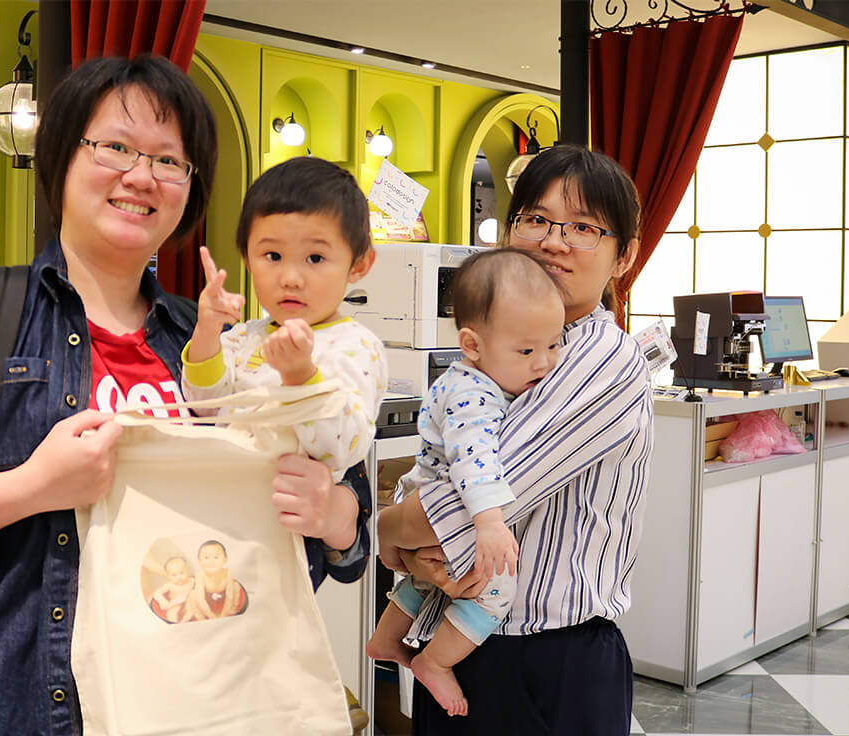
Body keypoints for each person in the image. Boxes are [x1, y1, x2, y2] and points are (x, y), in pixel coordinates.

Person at [0, 55, 371, 733]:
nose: (141, 176)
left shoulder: (213, 343)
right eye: (115, 146)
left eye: (169, 160)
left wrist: (338, 514)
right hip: (37, 705)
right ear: (61, 158)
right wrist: (31, 486)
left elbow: (331, 522)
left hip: (207, 699)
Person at [377, 144, 654, 735]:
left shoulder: (601, 358)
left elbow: (460, 504)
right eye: (536, 219)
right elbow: (438, 459)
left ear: (624, 256)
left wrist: (388, 529)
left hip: (547, 664)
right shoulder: (497, 350)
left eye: (583, 227)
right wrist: (406, 525)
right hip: (459, 638)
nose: (554, 240)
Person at [366, 248, 564, 717]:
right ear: (473, 345)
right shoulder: (474, 395)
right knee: (496, 590)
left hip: (420, 494)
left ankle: (386, 638)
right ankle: (434, 662)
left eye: (554, 345)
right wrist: (490, 522)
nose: (545, 364)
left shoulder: (471, 378)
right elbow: (476, 462)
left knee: (426, 579)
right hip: (443, 502)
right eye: (527, 351)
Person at [180, 156, 385, 481]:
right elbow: (205, 406)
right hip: (221, 503)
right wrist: (207, 329)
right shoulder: (244, 336)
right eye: (272, 256)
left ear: (358, 265)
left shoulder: (357, 346)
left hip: (289, 519)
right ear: (247, 258)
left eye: (315, 258)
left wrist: (301, 375)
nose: (290, 277)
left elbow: (344, 448)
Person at [185, 539, 250, 619]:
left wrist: (223, 614)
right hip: (206, 600)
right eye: (206, 557)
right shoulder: (201, 576)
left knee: (236, 586)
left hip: (223, 598)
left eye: (216, 557)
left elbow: (230, 595)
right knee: (193, 595)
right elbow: (200, 599)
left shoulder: (228, 573)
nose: (211, 561)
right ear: (200, 561)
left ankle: (231, 609)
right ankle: (200, 615)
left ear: (225, 560)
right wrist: (211, 616)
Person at [150, 556, 196, 624]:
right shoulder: (170, 585)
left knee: (191, 610)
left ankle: (184, 622)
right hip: (175, 603)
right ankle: (174, 623)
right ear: (168, 576)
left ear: (187, 571)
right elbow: (157, 593)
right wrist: (163, 601)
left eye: (181, 573)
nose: (179, 577)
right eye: (174, 575)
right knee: (172, 613)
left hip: (189, 602)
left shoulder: (191, 581)